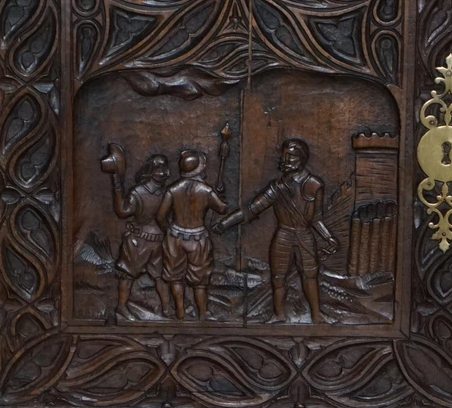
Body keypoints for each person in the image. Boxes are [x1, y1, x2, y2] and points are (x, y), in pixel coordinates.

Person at [217, 138, 339, 323]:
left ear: (302, 158)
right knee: (278, 277)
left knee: (310, 276)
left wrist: (328, 238)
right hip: (283, 235)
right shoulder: (277, 187)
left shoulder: (314, 185)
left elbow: (316, 218)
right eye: (284, 156)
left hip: (304, 235)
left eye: (290, 156)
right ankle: (278, 314)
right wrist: (225, 223)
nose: (285, 160)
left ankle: (316, 314)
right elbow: (251, 209)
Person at [100, 145, 171, 320]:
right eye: (160, 169)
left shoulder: (167, 193)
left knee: (160, 277)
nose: (164, 173)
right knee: (127, 275)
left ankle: (166, 309)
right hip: (138, 241)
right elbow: (122, 211)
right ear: (151, 170)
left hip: (158, 242)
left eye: (165, 169)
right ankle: (121, 307)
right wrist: (117, 183)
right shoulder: (139, 192)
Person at [157, 150, 227, 320]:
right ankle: (202, 314)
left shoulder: (173, 190)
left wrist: (170, 231)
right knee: (200, 281)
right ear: (199, 169)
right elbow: (222, 208)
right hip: (198, 238)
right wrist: (220, 193)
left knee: (175, 278)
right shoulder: (206, 190)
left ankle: (180, 312)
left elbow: (160, 217)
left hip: (175, 237)